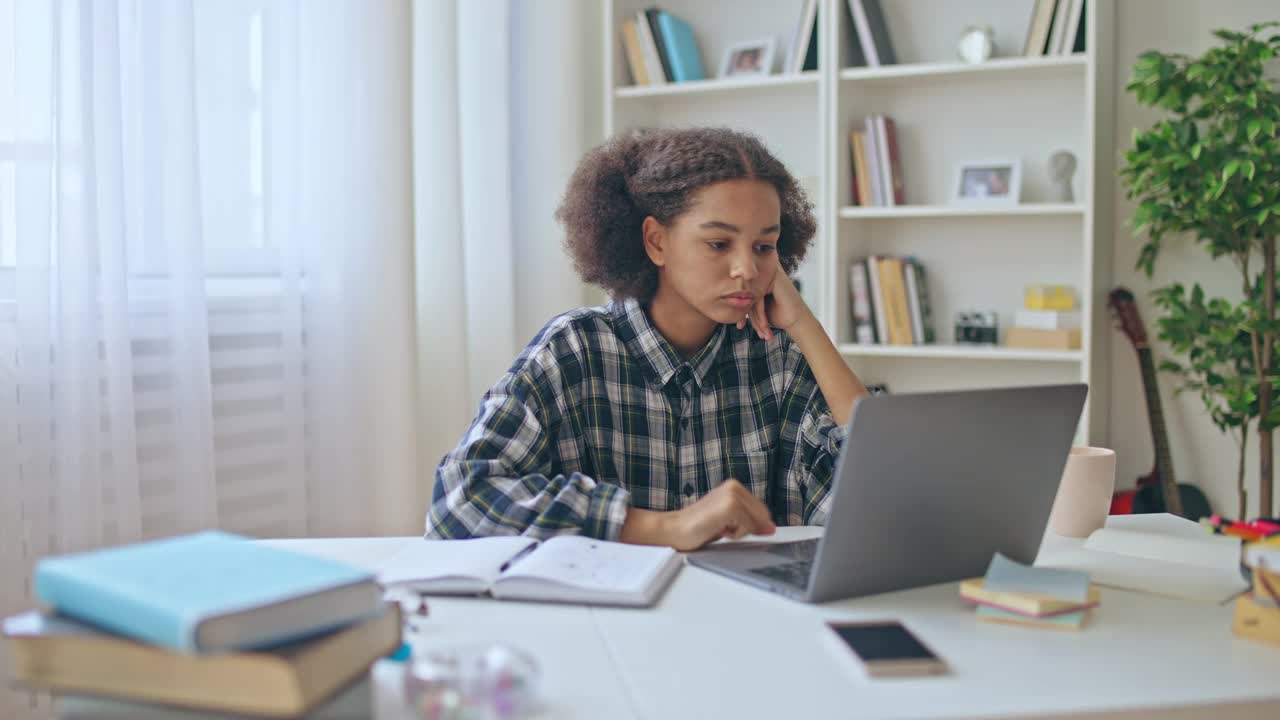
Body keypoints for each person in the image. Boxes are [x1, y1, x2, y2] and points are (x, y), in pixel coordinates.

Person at [426, 127, 869, 551]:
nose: (747, 271)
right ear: (656, 242)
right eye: (719, 244)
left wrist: (806, 326)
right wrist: (662, 526)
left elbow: (873, 501)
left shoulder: (778, 359)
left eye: (763, 247)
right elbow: (459, 500)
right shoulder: (574, 350)